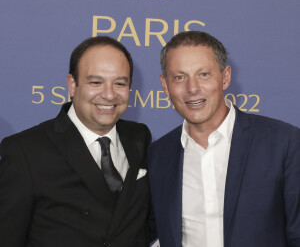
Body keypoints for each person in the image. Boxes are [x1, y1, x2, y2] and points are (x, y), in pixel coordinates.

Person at [148, 31, 300, 247]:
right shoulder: (158, 155)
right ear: (165, 85)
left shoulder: (282, 143)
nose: (192, 88)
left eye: (203, 74)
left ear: (225, 77)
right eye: (179, 77)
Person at [0, 36, 152, 247]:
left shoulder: (139, 137)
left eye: (119, 83)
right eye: (96, 82)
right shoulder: (25, 151)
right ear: (72, 85)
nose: (109, 95)